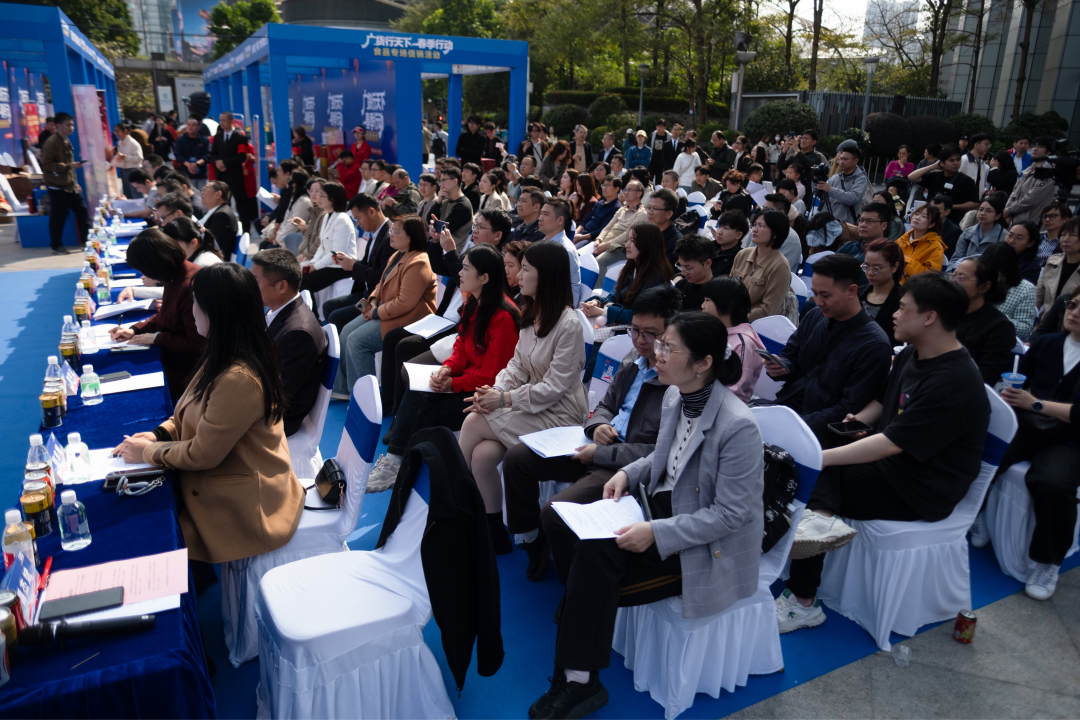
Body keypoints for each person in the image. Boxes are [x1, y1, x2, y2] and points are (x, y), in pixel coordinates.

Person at [528, 311, 761, 720]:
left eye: (669, 347)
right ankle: (579, 654)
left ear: (704, 363)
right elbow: (662, 454)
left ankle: (578, 681)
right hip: (664, 506)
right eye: (660, 344)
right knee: (575, 532)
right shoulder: (676, 394)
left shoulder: (738, 426)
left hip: (705, 541)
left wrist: (656, 532)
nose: (658, 353)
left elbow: (730, 516)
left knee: (596, 561)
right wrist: (625, 472)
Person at [776, 272, 990, 633]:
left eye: (903, 307)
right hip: (894, 464)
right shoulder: (914, 354)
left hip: (921, 487)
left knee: (808, 476)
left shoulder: (952, 381)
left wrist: (821, 459)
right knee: (813, 448)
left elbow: (891, 444)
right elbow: (881, 401)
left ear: (929, 317)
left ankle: (803, 601)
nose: (893, 313)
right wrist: (854, 422)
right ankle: (819, 521)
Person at [112, 262, 304, 568]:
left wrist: (148, 452)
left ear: (214, 312)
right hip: (225, 472)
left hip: (246, 505)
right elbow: (189, 410)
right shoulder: (224, 351)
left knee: (137, 543)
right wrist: (159, 435)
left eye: (195, 304)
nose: (192, 311)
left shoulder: (238, 377)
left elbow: (202, 454)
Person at [507, 285, 680, 582]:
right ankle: (533, 538)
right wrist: (597, 426)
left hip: (622, 465)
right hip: (596, 445)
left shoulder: (674, 382)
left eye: (650, 334)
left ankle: (573, 584)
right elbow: (605, 404)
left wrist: (599, 452)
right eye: (634, 330)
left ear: (670, 332)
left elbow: (655, 452)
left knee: (555, 514)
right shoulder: (633, 359)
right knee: (518, 459)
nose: (639, 340)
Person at [457, 240, 588, 553]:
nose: (517, 274)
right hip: (529, 407)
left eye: (526, 268)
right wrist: (497, 391)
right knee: (483, 456)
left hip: (560, 415)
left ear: (546, 276)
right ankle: (495, 534)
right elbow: (515, 365)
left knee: (474, 421)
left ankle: (455, 505)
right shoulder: (532, 312)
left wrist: (502, 400)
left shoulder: (569, 325)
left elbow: (554, 388)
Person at [367, 244, 521, 491]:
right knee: (421, 388)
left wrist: (454, 383)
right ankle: (398, 463)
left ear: (485, 277)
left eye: (466, 268)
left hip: (488, 395)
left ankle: (403, 465)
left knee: (424, 408)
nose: (460, 272)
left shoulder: (503, 317)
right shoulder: (475, 303)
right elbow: (461, 345)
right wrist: (447, 369)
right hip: (467, 382)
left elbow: (492, 375)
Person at [985, 287, 1080, 600]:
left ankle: (1047, 561)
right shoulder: (1048, 343)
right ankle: (977, 515)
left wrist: (1035, 403)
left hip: (1069, 438)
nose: (1074, 312)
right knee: (987, 455)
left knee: (1053, 483)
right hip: (1027, 427)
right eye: (1073, 304)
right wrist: (1009, 396)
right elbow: (1018, 379)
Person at [763, 253, 891, 440]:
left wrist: (793, 423)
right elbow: (791, 357)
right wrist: (781, 367)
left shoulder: (874, 345)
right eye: (814, 293)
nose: (818, 301)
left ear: (852, 291)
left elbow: (848, 409)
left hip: (818, 430)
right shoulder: (815, 316)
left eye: (825, 295)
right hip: (786, 408)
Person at [335, 215, 437, 397]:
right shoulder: (397, 255)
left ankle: (366, 399)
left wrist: (375, 312)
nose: (391, 234)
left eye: (396, 232)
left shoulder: (419, 262)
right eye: (391, 230)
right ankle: (345, 389)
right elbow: (380, 285)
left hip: (407, 318)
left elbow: (405, 303)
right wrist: (371, 302)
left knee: (357, 341)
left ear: (411, 237)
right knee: (346, 332)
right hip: (386, 311)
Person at [109, 229, 206, 401]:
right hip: (177, 357)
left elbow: (197, 344)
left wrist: (156, 338)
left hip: (190, 370)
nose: (144, 275)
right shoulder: (176, 275)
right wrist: (134, 329)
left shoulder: (189, 285)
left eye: (143, 269)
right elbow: (167, 315)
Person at [250, 249, 328, 437]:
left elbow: (274, 399)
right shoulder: (281, 311)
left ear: (282, 287)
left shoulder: (297, 333)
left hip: (275, 424)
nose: (249, 286)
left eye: (256, 281)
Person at [580, 221, 674, 327]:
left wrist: (602, 311)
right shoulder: (632, 267)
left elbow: (637, 315)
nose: (627, 245)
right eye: (628, 239)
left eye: (633, 241)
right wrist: (596, 302)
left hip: (636, 331)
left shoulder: (656, 276)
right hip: (621, 322)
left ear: (648, 244)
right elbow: (614, 296)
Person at [953, 255, 1016, 384]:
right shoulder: (945, 311)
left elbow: (987, 377)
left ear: (984, 287)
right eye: (954, 275)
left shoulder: (1000, 327)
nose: (954, 282)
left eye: (962, 278)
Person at [700, 277, 765, 402]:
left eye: (707, 300)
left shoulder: (742, 343)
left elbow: (735, 390)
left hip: (725, 410)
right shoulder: (713, 332)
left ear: (726, 305)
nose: (702, 306)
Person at [731, 209, 794, 321]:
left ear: (775, 233)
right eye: (754, 225)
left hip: (754, 325)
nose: (754, 229)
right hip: (730, 316)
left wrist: (734, 319)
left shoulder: (780, 266)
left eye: (761, 226)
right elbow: (727, 290)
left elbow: (768, 310)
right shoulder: (742, 254)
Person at [40, 113, 88, 254]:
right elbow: (47, 165)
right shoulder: (51, 143)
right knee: (59, 216)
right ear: (58, 125)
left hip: (70, 185)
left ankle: (86, 241)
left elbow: (68, 166)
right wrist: (68, 166)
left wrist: (74, 180)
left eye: (72, 124)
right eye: (68, 125)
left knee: (82, 211)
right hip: (57, 186)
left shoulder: (66, 141)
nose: (71, 127)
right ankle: (56, 245)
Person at [298, 181, 358, 293]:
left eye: (322, 196)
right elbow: (322, 245)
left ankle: (309, 311)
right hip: (328, 264)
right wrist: (313, 263)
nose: (318, 198)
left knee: (303, 282)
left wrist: (315, 267)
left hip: (340, 268)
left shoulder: (342, 219)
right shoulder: (327, 217)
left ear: (332, 199)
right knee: (297, 276)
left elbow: (337, 252)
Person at [210, 112, 258, 235]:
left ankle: (246, 231)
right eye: (220, 120)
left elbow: (242, 156)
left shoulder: (240, 137)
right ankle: (225, 229)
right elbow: (213, 154)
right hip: (221, 176)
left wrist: (225, 163)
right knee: (223, 203)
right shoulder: (218, 137)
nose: (222, 123)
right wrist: (217, 163)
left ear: (231, 121)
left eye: (224, 120)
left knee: (241, 204)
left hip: (235, 176)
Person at [908, 145, 980, 225]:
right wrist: (934, 166)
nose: (956, 163)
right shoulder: (935, 176)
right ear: (942, 163)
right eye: (951, 160)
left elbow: (975, 203)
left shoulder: (967, 180)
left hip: (953, 222)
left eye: (958, 159)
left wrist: (950, 206)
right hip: (931, 220)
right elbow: (911, 177)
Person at [591, 180, 646, 280]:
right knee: (582, 256)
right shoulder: (622, 209)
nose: (626, 192)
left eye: (630, 190)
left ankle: (597, 292)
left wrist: (606, 244)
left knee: (599, 261)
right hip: (605, 243)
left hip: (620, 248)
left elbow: (628, 234)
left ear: (639, 193)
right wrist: (599, 240)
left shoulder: (641, 214)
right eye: (625, 189)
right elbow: (608, 227)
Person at [983, 242, 1038, 341]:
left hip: (1001, 340)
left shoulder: (1025, 289)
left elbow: (1025, 330)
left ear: (1008, 267)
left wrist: (992, 317)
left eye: (997, 269)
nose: (993, 273)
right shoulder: (978, 280)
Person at [858, 238, 905, 347]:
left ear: (894, 267)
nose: (869, 273)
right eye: (866, 267)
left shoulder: (903, 300)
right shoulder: (857, 293)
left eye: (876, 268)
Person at [1005, 137, 1057, 225]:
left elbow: (1032, 199)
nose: (1035, 149)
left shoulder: (1049, 171)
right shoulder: (1031, 167)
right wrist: (1008, 211)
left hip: (1032, 221)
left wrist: (1009, 210)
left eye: (1040, 146)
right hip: (1017, 218)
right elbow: (1015, 192)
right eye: (1034, 146)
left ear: (1049, 151)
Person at [1035, 217, 1080, 311]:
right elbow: (1038, 296)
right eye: (1063, 234)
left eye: (1072, 235)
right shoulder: (1053, 261)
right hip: (1045, 321)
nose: (1065, 239)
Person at [950, 196, 1008, 267]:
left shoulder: (1004, 236)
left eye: (989, 211)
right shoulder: (967, 233)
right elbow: (956, 259)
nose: (983, 213)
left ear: (998, 216)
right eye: (981, 209)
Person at [816, 147, 868, 225]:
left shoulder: (861, 179)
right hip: (827, 222)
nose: (841, 162)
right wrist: (816, 179)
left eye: (845, 159)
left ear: (855, 161)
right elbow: (820, 193)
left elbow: (852, 198)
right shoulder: (836, 177)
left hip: (844, 225)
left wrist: (830, 190)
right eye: (841, 159)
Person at [268, 170, 315, 254]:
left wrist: (278, 238)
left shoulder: (304, 202)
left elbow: (293, 227)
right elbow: (286, 221)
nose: (291, 184)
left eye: (293, 181)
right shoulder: (295, 199)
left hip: (293, 242)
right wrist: (277, 236)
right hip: (284, 239)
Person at [538, 196, 581, 286]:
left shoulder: (565, 250)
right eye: (541, 213)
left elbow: (555, 288)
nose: (540, 218)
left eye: (546, 214)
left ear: (560, 220)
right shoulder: (544, 242)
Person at [837, 202, 890, 274]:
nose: (863, 225)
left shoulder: (888, 253)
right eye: (861, 220)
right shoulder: (849, 246)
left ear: (884, 225)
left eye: (870, 221)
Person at [895, 203, 945, 280]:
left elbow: (930, 276)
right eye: (917, 214)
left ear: (931, 224)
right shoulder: (903, 239)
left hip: (913, 287)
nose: (917, 218)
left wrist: (904, 260)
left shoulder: (935, 246)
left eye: (924, 216)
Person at [573, 175, 621, 246]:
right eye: (603, 185)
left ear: (617, 189)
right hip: (583, 233)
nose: (604, 188)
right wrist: (576, 232)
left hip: (592, 238)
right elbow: (586, 220)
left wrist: (581, 237)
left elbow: (603, 229)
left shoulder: (616, 208)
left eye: (608, 185)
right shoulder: (599, 203)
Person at [673, 234, 716, 310]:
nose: (683, 273)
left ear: (707, 263)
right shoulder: (681, 286)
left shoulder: (715, 292)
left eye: (689, 268)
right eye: (680, 266)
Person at [645, 187, 683, 265]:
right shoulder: (648, 232)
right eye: (649, 208)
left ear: (668, 214)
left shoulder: (676, 243)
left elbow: (666, 273)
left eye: (655, 208)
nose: (649, 212)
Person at [174, 117, 210, 189]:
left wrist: (197, 164)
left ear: (198, 127)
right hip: (186, 174)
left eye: (193, 125)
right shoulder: (180, 140)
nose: (190, 127)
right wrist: (189, 165)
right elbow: (178, 155)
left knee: (202, 196)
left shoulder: (204, 140)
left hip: (202, 174)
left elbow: (208, 155)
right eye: (188, 125)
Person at [711, 210, 749, 278]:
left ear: (738, 235)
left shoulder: (740, 259)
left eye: (726, 228)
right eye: (719, 226)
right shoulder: (709, 249)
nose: (719, 232)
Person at [1004, 220, 1042, 285]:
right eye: (1010, 235)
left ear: (1030, 243)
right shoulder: (997, 254)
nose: (1011, 241)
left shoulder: (1031, 267)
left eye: (1018, 238)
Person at [113, 123, 145, 198]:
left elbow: (139, 158)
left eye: (118, 131)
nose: (117, 133)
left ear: (125, 131)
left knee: (136, 193)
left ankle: (140, 209)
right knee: (127, 193)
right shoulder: (120, 142)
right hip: (124, 169)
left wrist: (126, 157)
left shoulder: (133, 143)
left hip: (133, 170)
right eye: (116, 131)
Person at [1037, 201, 1072, 267]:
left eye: (1052, 216)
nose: (1047, 219)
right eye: (1044, 216)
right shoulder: (1036, 238)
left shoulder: (1069, 242)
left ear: (1065, 219)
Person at [504, 240, 527, 304]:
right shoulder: (500, 290)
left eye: (510, 265)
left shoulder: (527, 299)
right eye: (504, 265)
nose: (506, 271)